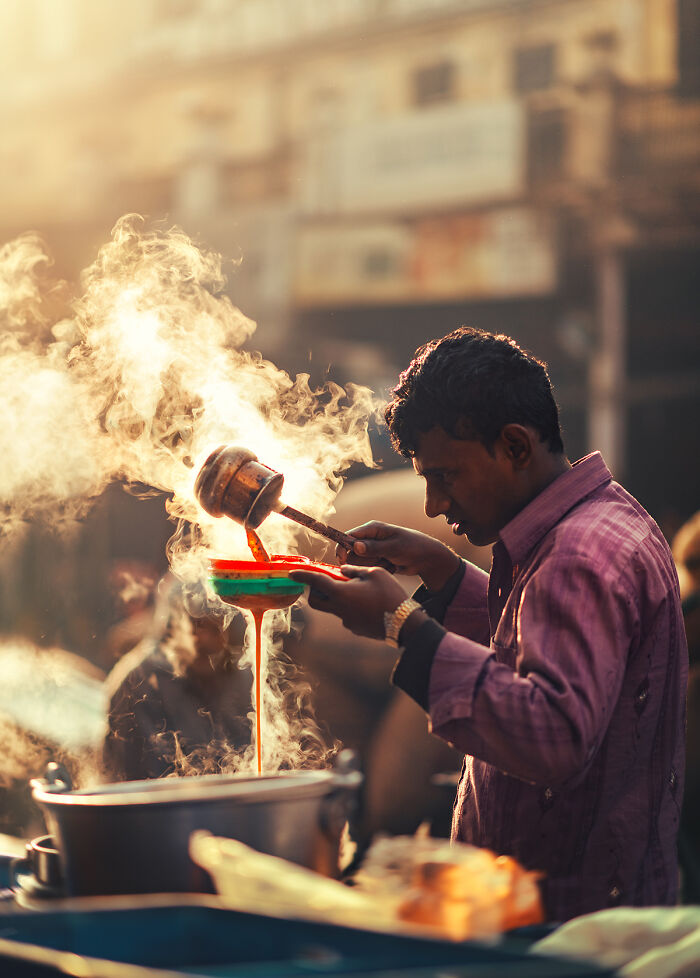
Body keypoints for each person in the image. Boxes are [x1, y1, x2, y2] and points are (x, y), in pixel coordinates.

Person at [290, 327, 688, 922]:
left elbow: (554, 733)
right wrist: (445, 573)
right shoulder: (599, 521)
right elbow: (539, 640)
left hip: (564, 932)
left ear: (516, 446)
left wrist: (403, 624)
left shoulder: (576, 556)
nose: (432, 505)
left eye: (445, 476)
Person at [103, 575, 252, 781]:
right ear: (172, 627)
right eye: (197, 625)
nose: (205, 639)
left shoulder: (239, 679)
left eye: (216, 626)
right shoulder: (140, 683)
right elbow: (140, 778)